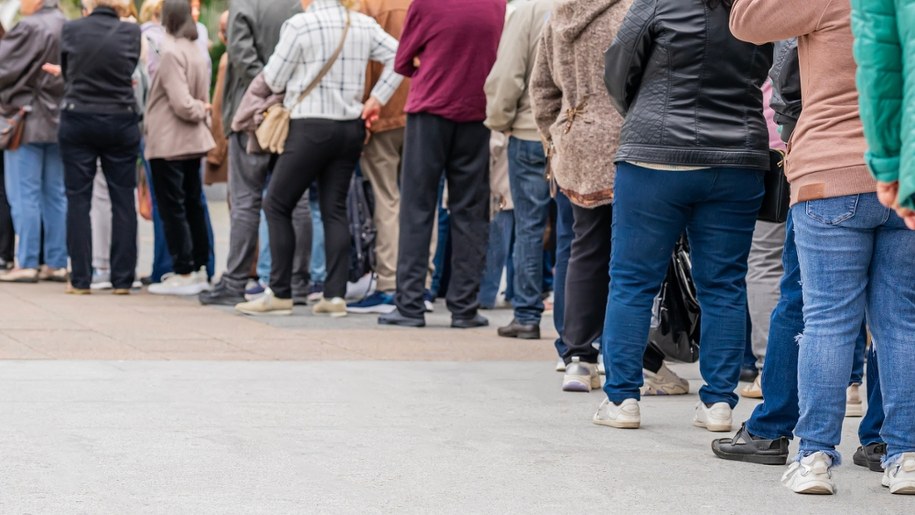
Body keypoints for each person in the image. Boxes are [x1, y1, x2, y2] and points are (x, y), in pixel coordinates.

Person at [731, 0, 915, 496]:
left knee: (828, 321)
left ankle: (813, 455)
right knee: (900, 322)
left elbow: (744, 20)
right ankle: (906, 456)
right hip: (904, 174)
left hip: (830, 171)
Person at [596, 0, 771, 430]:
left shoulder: (658, 1)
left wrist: (643, 118)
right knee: (724, 285)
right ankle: (718, 403)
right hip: (736, 157)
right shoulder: (758, 7)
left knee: (633, 281)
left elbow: (618, 69)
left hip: (655, 158)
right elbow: (774, 73)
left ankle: (622, 399)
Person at [234, 0, 402, 317]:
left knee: (277, 204)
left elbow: (275, 78)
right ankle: (334, 296)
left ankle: (280, 292)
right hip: (350, 128)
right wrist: (377, 98)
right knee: (334, 208)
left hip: (308, 127)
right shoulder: (361, 24)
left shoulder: (300, 25)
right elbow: (400, 57)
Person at [378, 0, 505, 329]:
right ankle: (464, 307)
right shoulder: (496, 5)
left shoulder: (426, 3)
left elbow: (403, 60)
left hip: (430, 110)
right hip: (477, 112)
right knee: (471, 210)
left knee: (417, 207)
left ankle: (409, 305)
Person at [198, 0, 303, 307]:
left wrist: (267, 93)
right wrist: (280, 95)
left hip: (250, 112)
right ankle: (295, 280)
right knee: (294, 201)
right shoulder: (296, 7)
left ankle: (236, 280)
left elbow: (242, 57)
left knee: (245, 199)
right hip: (288, 112)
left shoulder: (245, 6)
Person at [346, 0, 441, 315]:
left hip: (382, 114)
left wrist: (364, 110)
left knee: (387, 199)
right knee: (422, 200)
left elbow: (361, 62)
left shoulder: (370, 5)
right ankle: (422, 283)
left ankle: (389, 285)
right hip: (425, 108)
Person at [55, 0, 140, 294]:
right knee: (123, 199)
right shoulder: (132, 33)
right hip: (121, 118)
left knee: (78, 199)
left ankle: (80, 279)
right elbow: (130, 69)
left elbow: (68, 73)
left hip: (79, 116)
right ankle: (123, 279)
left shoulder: (71, 29)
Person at [484, 0, 553, 340]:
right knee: (577, 234)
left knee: (528, 225)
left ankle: (526, 314)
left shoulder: (527, 10)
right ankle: (580, 328)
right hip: (581, 136)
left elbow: (507, 73)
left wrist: (500, 121)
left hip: (529, 131)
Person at [144, 0, 214, 296]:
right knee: (193, 204)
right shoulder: (195, 50)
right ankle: (198, 266)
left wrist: (199, 108)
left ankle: (183, 269)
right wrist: (203, 107)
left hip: (169, 139)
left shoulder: (171, 53)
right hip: (191, 141)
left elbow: (182, 102)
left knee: (173, 208)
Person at [0, 0, 67, 284]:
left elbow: (4, 68)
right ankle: (56, 261)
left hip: (27, 119)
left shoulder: (29, 26)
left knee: (24, 194)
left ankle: (27, 261)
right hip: (60, 119)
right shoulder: (66, 22)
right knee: (55, 194)